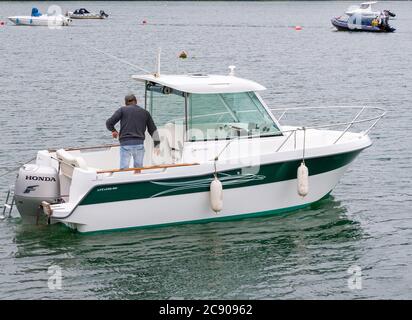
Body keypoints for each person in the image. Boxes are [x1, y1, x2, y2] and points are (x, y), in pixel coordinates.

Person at [106, 94, 160, 169]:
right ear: (136, 101)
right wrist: (157, 145)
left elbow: (109, 123)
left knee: (124, 169)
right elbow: (153, 129)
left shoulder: (122, 110)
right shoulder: (145, 112)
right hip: (139, 144)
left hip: (125, 144)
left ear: (125, 103)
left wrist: (113, 130)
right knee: (138, 169)